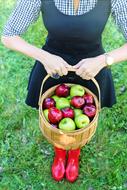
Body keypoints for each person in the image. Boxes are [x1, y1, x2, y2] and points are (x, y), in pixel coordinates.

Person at [1, 0, 127, 182]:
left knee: (83, 122)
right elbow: (8, 35)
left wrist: (103, 60)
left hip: (91, 69)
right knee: (53, 119)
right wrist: (44, 57)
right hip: (51, 67)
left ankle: (74, 151)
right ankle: (60, 152)